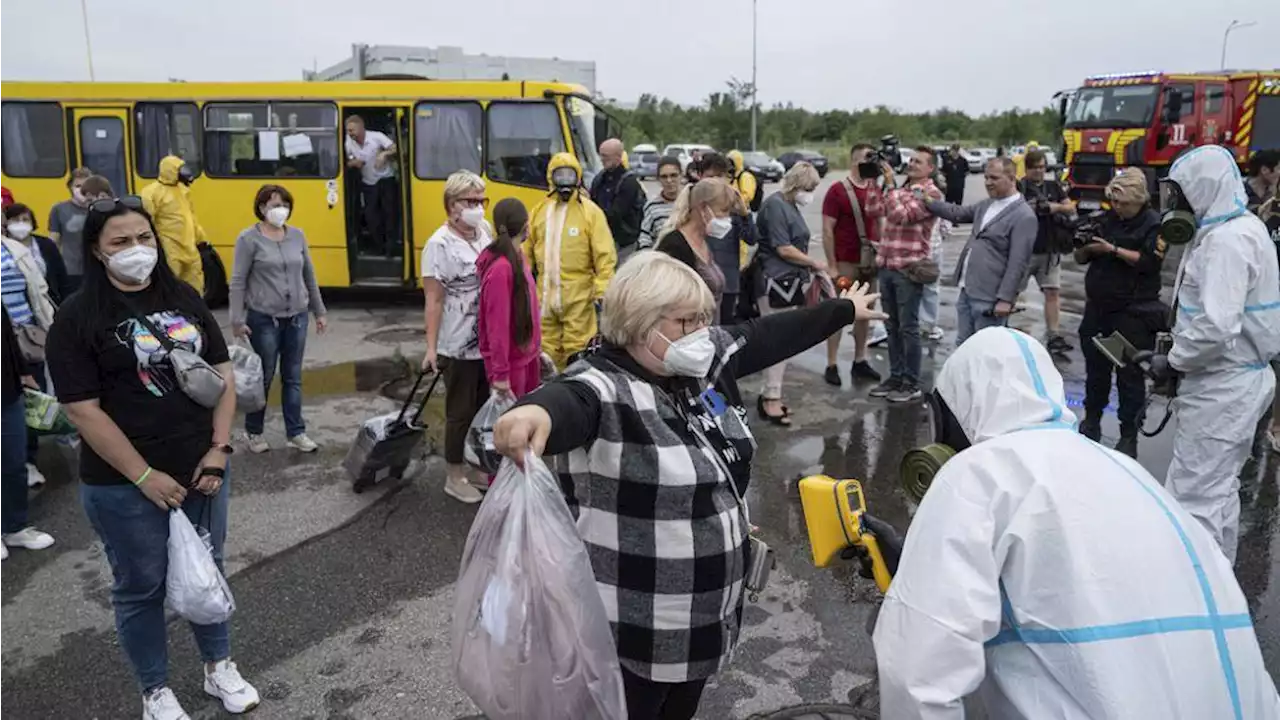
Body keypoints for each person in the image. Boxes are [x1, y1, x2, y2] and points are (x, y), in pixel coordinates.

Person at [492, 252, 886, 720]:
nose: (700, 331)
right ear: (639, 323)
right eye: (684, 321)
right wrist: (533, 414)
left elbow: (768, 335)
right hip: (633, 635)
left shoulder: (698, 363)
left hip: (703, 623)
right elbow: (568, 402)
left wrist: (843, 310)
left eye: (703, 317)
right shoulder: (603, 386)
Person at [873, 325, 1280, 719]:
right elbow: (1081, 591)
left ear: (955, 412)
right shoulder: (1125, 471)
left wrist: (918, 583)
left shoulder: (978, 473)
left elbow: (917, 672)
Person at [46, 197, 260, 719]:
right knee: (141, 587)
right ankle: (156, 691)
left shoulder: (183, 296)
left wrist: (219, 449)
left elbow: (222, 374)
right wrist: (143, 476)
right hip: (123, 485)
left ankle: (218, 668)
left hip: (202, 470)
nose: (136, 250)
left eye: (143, 238)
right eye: (120, 242)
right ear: (97, 251)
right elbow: (83, 410)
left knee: (206, 568)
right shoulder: (76, 318)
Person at [1158, 145, 1280, 564]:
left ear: (1203, 190)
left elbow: (1216, 327)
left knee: (1195, 498)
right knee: (1218, 490)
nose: (1174, 206)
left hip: (1223, 386)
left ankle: (1195, 595)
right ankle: (1220, 588)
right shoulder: (1233, 229)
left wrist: (1173, 359)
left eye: (1179, 195)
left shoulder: (1226, 242)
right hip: (1231, 381)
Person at [229, 184, 328, 455]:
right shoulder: (248, 239)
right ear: (261, 208)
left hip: (297, 317)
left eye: (283, 204)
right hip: (264, 319)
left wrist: (319, 311)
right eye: (273, 205)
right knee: (263, 377)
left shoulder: (297, 236)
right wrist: (237, 320)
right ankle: (254, 431)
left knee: (293, 378)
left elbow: (309, 275)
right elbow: (237, 281)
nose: (279, 210)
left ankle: (296, 433)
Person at [1072, 168, 1165, 458]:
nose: (1118, 208)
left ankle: (1128, 434)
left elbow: (1150, 261)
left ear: (1139, 200)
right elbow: (1078, 257)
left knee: (1129, 377)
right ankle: (1092, 422)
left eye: (1123, 203)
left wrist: (1112, 249)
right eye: (1114, 202)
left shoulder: (1153, 224)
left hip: (1131, 313)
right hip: (1098, 309)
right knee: (1095, 372)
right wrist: (1087, 247)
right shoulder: (1106, 218)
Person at [423, 170, 494, 504]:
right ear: (452, 205)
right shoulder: (439, 245)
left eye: (482, 200)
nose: (478, 207)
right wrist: (432, 348)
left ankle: (479, 466)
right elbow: (434, 300)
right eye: (471, 201)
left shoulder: (485, 232)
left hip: (488, 342)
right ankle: (454, 474)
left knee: (483, 408)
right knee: (460, 411)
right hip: (457, 343)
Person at [926, 157, 1037, 345]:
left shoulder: (1024, 216)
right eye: (986, 177)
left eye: (994, 178)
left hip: (990, 299)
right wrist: (928, 202)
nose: (987, 183)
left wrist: (1005, 300)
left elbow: (1018, 263)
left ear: (1011, 178)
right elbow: (958, 213)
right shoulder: (986, 205)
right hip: (968, 291)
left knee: (986, 352)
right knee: (963, 346)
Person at [525, 153, 616, 369]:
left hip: (579, 298)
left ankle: (574, 395)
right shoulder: (539, 211)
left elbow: (605, 256)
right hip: (544, 296)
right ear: (551, 177)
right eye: (560, 175)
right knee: (545, 353)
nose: (565, 180)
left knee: (578, 350)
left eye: (569, 174)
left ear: (577, 177)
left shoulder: (590, 212)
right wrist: (521, 284)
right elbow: (525, 251)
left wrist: (602, 290)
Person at [869, 148, 944, 404]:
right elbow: (873, 209)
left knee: (908, 328)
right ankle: (896, 375)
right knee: (891, 327)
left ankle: (911, 382)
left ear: (930, 168)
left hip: (909, 268)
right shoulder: (899, 190)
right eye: (910, 160)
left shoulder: (931, 194)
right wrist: (874, 179)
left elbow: (902, 216)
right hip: (887, 265)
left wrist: (889, 184)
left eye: (918, 162)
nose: (912, 164)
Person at [755, 161, 824, 425]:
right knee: (778, 343)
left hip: (786, 282)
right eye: (809, 188)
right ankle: (771, 398)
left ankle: (772, 394)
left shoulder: (788, 205)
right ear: (796, 184)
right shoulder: (776, 206)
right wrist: (813, 263)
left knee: (781, 342)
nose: (811, 194)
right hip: (775, 283)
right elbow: (783, 248)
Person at [822, 144, 893, 386]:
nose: (872, 162)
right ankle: (831, 363)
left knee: (865, 313)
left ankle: (860, 359)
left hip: (869, 262)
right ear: (855, 162)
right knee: (840, 311)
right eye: (867, 158)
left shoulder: (876, 191)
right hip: (845, 263)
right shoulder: (837, 191)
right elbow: (827, 230)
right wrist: (832, 265)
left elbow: (883, 221)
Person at [0, 217, 57, 488]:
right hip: (3, 340)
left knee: (33, 399)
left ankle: (29, 460)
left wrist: (47, 325)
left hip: (26, 336)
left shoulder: (14, 249)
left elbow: (38, 290)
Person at [0, 303, 54, 561]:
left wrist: (22, 372)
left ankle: (15, 527)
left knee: (14, 464)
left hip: (7, 391)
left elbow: (6, 333)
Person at [477, 198, 542, 400]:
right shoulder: (501, 269)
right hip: (512, 368)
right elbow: (497, 327)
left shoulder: (519, 257)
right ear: (525, 226)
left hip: (527, 358)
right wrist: (501, 375)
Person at [1020, 148, 1077, 354]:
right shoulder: (1020, 186)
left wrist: (1053, 207)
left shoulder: (1053, 186)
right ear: (1027, 168)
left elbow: (1069, 207)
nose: (1039, 171)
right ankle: (1002, 330)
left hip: (1050, 250)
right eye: (1035, 167)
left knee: (1053, 292)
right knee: (1012, 292)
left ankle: (1054, 335)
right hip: (1025, 250)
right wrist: (1042, 207)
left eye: (1042, 167)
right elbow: (1024, 210)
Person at [690, 154, 755, 323]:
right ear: (700, 176)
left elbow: (751, 238)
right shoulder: (692, 203)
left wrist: (745, 215)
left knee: (724, 330)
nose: (716, 183)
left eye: (720, 177)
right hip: (699, 283)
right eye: (710, 177)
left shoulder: (732, 204)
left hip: (728, 282)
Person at [656, 178, 738, 311]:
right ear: (702, 208)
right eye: (723, 211)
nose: (727, 218)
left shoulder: (704, 241)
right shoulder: (675, 245)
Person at [140, 155, 206, 295]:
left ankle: (195, 309)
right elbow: (147, 221)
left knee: (194, 281)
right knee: (170, 282)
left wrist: (201, 239)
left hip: (189, 246)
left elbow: (191, 217)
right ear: (170, 171)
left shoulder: (183, 191)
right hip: (169, 246)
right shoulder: (151, 192)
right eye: (179, 169)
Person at [344, 115, 400, 257]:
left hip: (386, 179)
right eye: (348, 131)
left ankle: (391, 248)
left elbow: (395, 148)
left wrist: (384, 155)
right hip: (368, 182)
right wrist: (353, 164)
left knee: (389, 214)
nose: (350, 134)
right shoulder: (348, 143)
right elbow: (345, 161)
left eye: (352, 130)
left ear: (362, 128)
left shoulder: (377, 137)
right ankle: (379, 246)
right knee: (371, 216)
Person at [589, 139, 646, 264]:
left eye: (606, 156)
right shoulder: (599, 179)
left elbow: (616, 213)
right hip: (601, 239)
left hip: (623, 243)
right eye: (601, 155)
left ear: (618, 157)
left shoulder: (629, 182)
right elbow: (591, 204)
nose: (602, 159)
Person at [4, 203, 72, 304]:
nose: (21, 223)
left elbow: (61, 277)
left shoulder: (46, 245)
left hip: (49, 303)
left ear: (32, 223)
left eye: (25, 219)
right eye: (15, 220)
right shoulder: (3, 247)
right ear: (6, 223)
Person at [48, 167, 93, 292]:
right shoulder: (59, 209)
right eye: (78, 185)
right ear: (70, 187)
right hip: (70, 271)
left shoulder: (99, 209)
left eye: (86, 185)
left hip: (97, 270)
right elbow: (54, 240)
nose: (82, 189)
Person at [639, 157, 682, 250]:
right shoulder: (651, 206)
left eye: (673, 175)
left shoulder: (691, 202)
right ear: (658, 179)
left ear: (681, 176)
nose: (669, 180)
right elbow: (645, 238)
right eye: (664, 176)